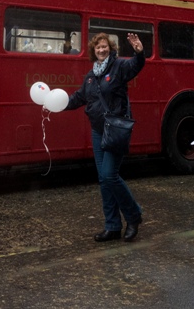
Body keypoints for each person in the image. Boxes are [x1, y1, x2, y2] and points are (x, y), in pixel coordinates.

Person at [65, 32, 145, 243]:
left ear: (110, 49)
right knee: (103, 179)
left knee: (110, 175)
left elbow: (135, 66)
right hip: (98, 130)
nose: (102, 50)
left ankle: (133, 215)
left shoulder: (119, 67)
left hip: (116, 129)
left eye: (105, 47)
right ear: (94, 51)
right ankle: (112, 226)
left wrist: (139, 53)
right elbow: (79, 98)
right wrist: (57, 103)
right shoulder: (91, 76)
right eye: (98, 48)